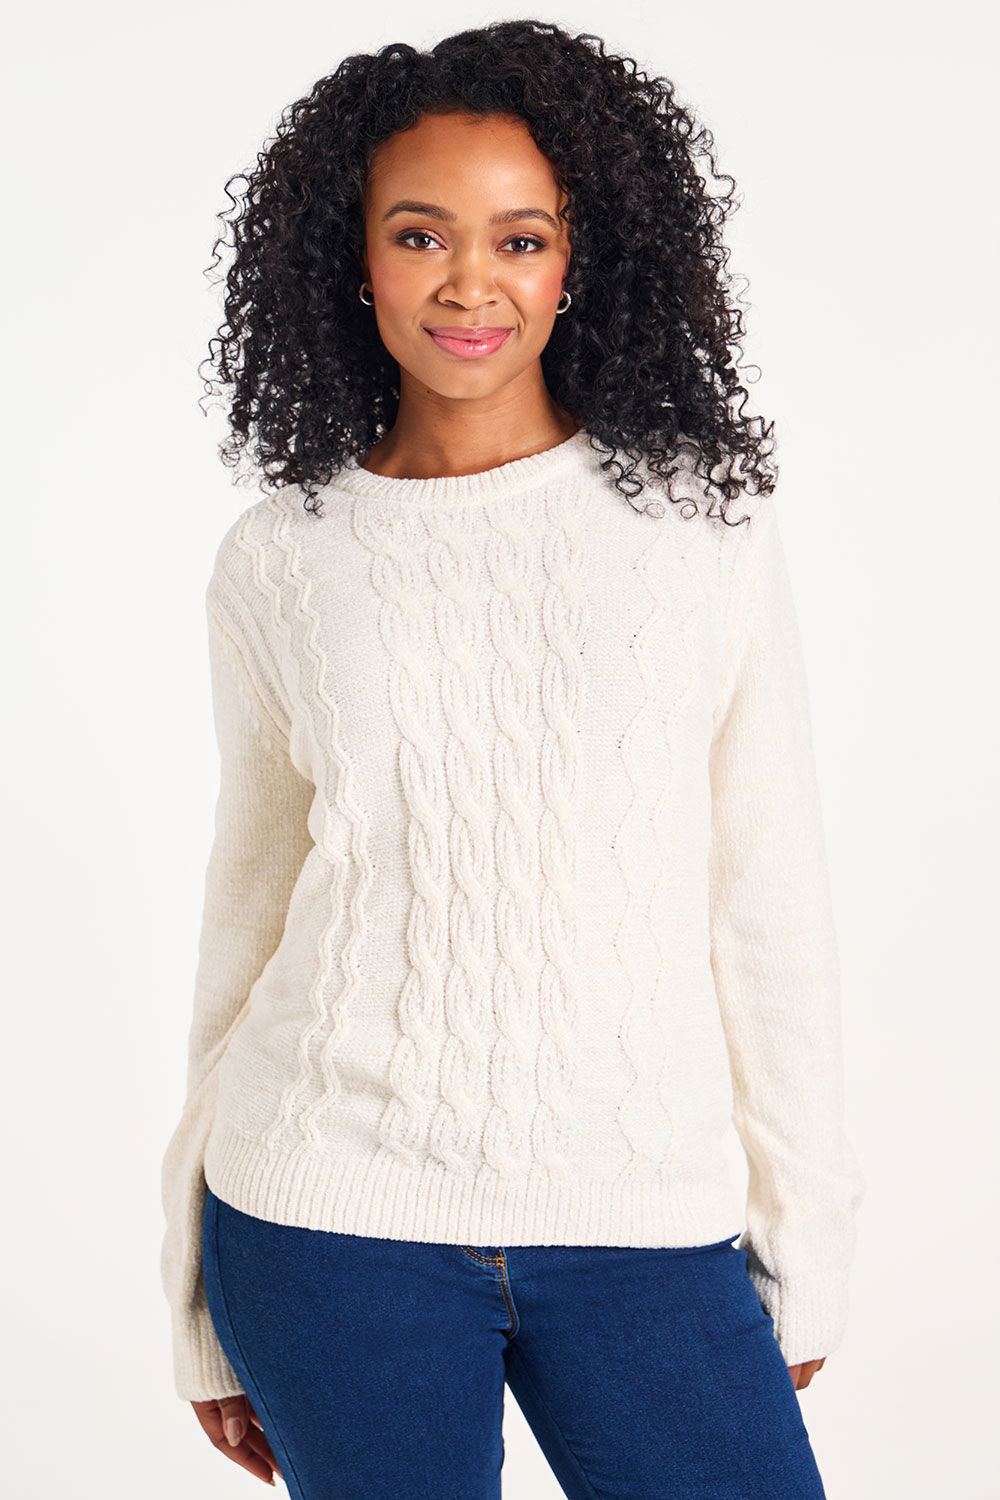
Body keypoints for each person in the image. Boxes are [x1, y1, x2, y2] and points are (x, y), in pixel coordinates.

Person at [159, 18, 866, 1499]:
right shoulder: (280, 560)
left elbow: (767, 902)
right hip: (327, 1214)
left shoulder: (697, 531)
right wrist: (195, 1294)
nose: (469, 282)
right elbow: (249, 918)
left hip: (642, 1211)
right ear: (353, 259)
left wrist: (806, 1238)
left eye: (521, 238)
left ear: (576, 261)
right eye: (419, 234)